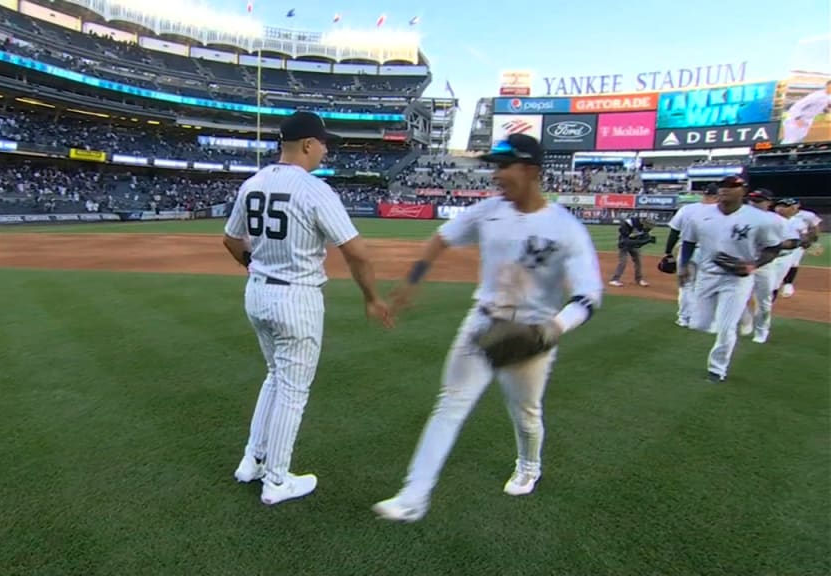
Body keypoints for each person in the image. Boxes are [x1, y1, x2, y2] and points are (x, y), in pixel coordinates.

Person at [371, 134, 603, 522]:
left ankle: (529, 465)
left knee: (526, 413)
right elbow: (439, 240)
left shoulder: (567, 228)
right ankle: (414, 495)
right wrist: (412, 280)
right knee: (450, 403)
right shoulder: (488, 211)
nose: (496, 175)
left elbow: (588, 295)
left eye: (504, 166)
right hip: (482, 322)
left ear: (530, 171)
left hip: (532, 335)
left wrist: (552, 330)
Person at [221, 110, 390, 506]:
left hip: (258, 291)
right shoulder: (314, 189)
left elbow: (231, 241)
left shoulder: (253, 182)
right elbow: (357, 254)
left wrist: (255, 264)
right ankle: (276, 480)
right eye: (323, 142)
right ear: (309, 144)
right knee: (293, 391)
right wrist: (371, 297)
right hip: (296, 298)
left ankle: (253, 460)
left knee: (275, 377)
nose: (326, 149)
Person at [678, 175, 783, 382]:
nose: (725, 189)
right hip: (706, 275)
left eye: (732, 186)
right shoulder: (700, 215)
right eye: (722, 186)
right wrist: (683, 266)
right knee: (699, 323)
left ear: (743, 191)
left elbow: (773, 247)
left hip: (736, 277)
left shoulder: (759, 218)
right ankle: (744, 314)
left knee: (726, 327)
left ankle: (717, 369)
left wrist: (753, 265)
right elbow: (689, 241)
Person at [736, 190, 799, 343]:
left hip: (765, 264)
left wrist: (774, 243)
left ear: (768, 202)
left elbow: (794, 241)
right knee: (736, 296)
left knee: (763, 300)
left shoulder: (777, 221)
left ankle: (761, 331)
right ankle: (746, 320)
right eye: (751, 200)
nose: (754, 204)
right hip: (740, 263)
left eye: (758, 200)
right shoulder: (737, 217)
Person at [664, 183, 720, 327]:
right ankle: (703, 319)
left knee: (686, 286)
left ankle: (684, 318)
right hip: (710, 253)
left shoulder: (687, 209)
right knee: (705, 287)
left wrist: (668, 252)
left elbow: (674, 233)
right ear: (717, 196)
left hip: (686, 250)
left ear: (704, 194)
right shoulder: (722, 212)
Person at [779, 199, 822, 298]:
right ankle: (778, 284)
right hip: (779, 244)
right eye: (782, 205)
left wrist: (814, 241)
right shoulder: (776, 217)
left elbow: (814, 227)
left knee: (794, 263)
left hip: (797, 244)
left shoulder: (806, 216)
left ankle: (788, 285)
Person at [608, 216, 655, 287]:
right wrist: (644, 241)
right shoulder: (628, 224)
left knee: (638, 261)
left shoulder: (644, 229)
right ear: (643, 223)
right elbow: (626, 241)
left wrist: (647, 240)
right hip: (624, 244)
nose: (649, 227)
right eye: (648, 224)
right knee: (623, 262)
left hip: (633, 244)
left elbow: (640, 243)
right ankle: (614, 280)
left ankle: (639, 279)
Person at [780, 81, 831, 145]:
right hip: (796, 119)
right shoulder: (816, 95)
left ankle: (796, 153)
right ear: (827, 86)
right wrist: (797, 119)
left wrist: (825, 109)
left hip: (807, 120)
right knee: (790, 141)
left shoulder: (828, 96)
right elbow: (797, 106)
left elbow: (820, 106)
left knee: (800, 139)